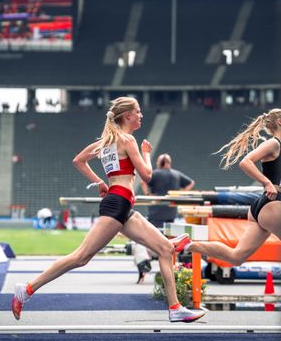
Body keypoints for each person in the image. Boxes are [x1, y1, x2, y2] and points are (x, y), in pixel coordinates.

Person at [11, 97, 205, 323]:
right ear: (127, 115)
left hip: (122, 204)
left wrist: (100, 183)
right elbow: (147, 176)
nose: (141, 115)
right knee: (81, 257)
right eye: (138, 112)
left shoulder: (106, 141)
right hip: (117, 204)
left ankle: (175, 308)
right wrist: (146, 154)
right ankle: (26, 290)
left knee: (164, 249)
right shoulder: (128, 140)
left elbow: (78, 160)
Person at [173, 108, 281, 267]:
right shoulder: (273, 143)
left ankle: (188, 244)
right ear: (280, 121)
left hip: (263, 206)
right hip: (272, 203)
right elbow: (245, 162)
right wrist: (267, 182)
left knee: (236, 257)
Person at [134, 154, 195, 283]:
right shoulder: (176, 174)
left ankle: (144, 266)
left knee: (145, 240)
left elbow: (142, 181)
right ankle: (176, 271)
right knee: (170, 241)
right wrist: (180, 193)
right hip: (170, 214)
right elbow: (191, 183)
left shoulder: (155, 174)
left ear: (159, 162)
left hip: (155, 213)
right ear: (169, 162)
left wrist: (148, 194)